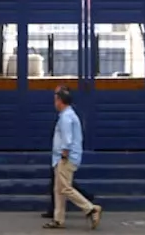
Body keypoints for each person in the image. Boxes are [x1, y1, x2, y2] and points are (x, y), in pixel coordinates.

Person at [45, 87, 102, 230]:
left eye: (55, 100)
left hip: (65, 158)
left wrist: (64, 155)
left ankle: (90, 208)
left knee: (65, 188)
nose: (54, 103)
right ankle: (58, 219)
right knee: (58, 190)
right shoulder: (69, 115)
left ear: (60, 101)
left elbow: (67, 140)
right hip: (64, 157)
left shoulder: (66, 118)